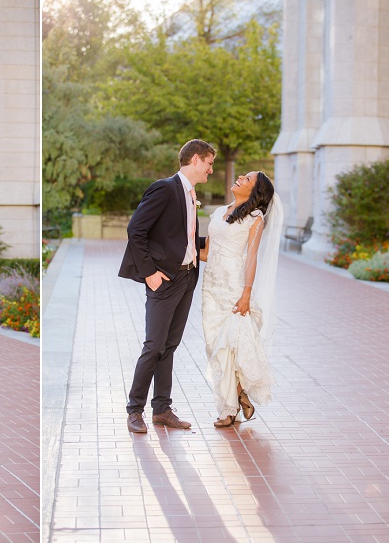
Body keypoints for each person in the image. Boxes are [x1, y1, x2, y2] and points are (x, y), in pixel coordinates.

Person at [118, 139, 213, 434]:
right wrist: (151, 274)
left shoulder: (191, 193)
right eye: (209, 163)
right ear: (195, 159)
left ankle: (161, 409)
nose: (211, 170)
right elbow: (136, 230)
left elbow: (179, 237)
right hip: (164, 280)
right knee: (154, 346)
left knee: (169, 346)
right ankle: (135, 410)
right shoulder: (165, 188)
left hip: (187, 278)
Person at [199, 171, 282, 427]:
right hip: (211, 287)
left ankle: (227, 410)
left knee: (229, 345)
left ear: (255, 192)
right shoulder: (218, 212)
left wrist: (246, 292)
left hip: (234, 288)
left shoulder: (255, 219)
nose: (240, 178)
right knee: (214, 346)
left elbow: (251, 258)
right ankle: (238, 392)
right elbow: (207, 253)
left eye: (247, 179)